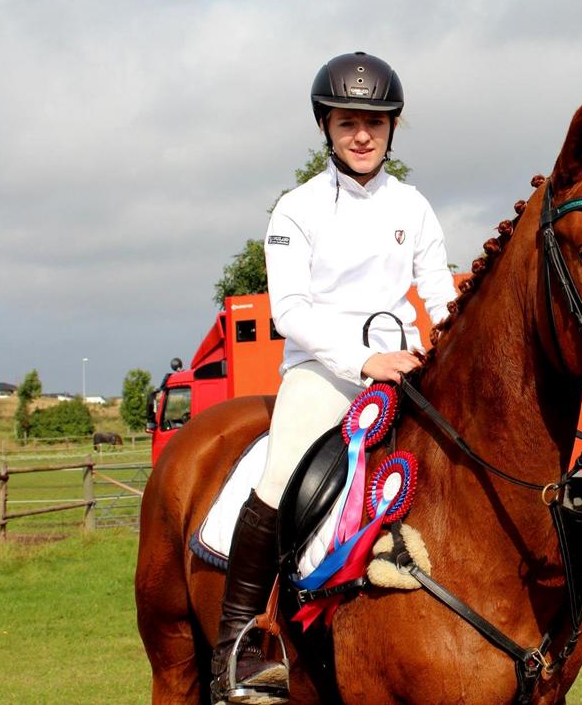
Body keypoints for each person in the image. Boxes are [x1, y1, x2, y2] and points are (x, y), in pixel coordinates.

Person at [211, 52, 456, 704]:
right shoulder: (296, 210)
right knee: (280, 471)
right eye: (348, 121)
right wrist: (362, 360)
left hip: (406, 371)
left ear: (393, 127)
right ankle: (238, 645)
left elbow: (440, 292)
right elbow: (290, 311)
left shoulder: (414, 206)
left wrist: (448, 351)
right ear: (326, 125)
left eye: (374, 122)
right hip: (323, 375)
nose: (362, 135)